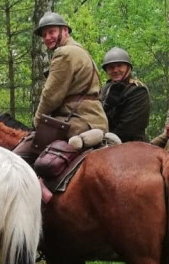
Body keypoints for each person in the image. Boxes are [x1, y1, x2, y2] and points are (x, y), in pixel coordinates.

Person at [13, 12, 108, 163]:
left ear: (65, 30)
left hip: (77, 119)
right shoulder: (81, 51)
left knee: (16, 159)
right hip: (97, 119)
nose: (47, 38)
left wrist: (37, 123)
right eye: (44, 35)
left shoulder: (64, 53)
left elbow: (51, 96)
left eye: (52, 32)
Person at [100, 47, 151, 143]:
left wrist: (104, 139)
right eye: (111, 67)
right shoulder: (106, 88)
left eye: (119, 66)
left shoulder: (138, 90)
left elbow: (129, 129)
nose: (115, 70)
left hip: (132, 144)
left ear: (128, 68)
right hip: (106, 140)